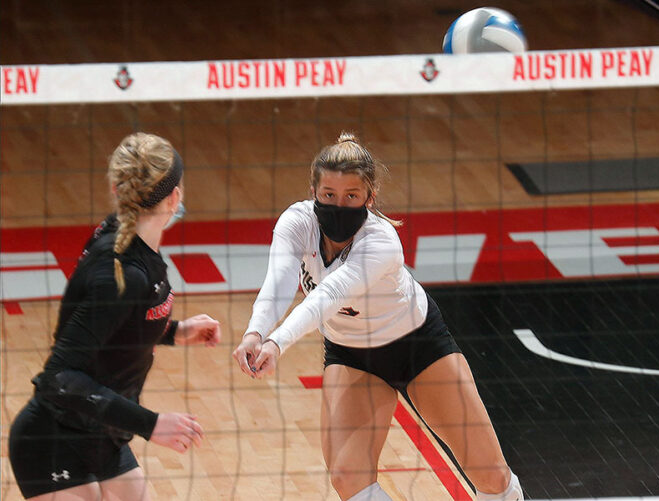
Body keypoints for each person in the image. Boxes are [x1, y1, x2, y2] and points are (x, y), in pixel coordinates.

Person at [233, 132, 523, 501]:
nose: (338, 205)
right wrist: (255, 333)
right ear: (313, 192)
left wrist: (278, 342)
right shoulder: (297, 222)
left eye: (350, 197)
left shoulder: (381, 241)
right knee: (347, 477)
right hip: (352, 354)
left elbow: (328, 296)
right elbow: (278, 282)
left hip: (418, 348)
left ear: (369, 198)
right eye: (328, 196)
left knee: (492, 477)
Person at [9, 132, 222, 501]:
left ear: (117, 187)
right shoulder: (120, 272)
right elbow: (58, 377)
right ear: (174, 197)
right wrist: (151, 424)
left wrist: (174, 331)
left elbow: (113, 325)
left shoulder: (132, 249)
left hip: (103, 433)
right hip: (54, 438)